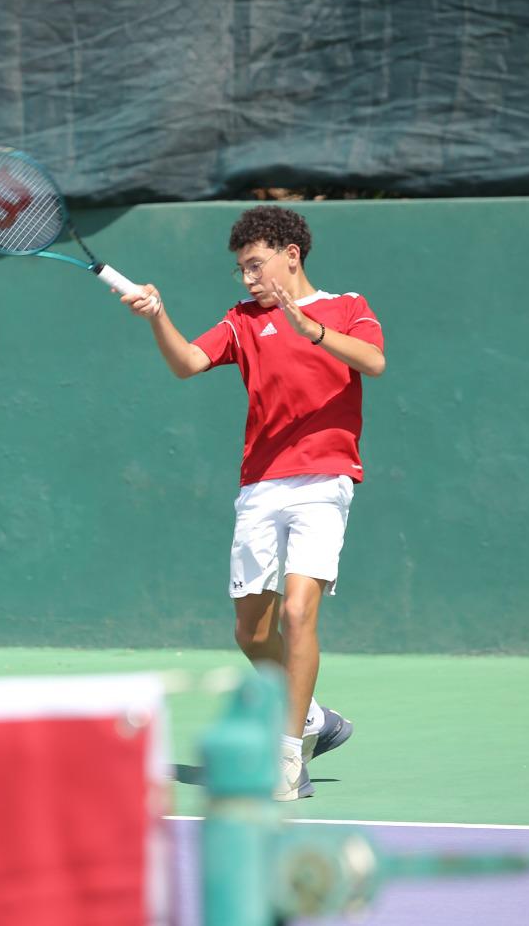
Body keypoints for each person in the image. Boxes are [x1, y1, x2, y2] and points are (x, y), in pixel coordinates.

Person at [122, 204, 386, 800]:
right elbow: (188, 363)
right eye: (241, 268)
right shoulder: (241, 322)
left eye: (256, 265)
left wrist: (310, 328)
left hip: (325, 480)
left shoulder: (347, 307)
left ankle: (289, 753)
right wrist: (158, 316)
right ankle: (312, 716)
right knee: (251, 631)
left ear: (291, 257)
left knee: (297, 614)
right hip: (260, 484)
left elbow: (374, 360)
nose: (248, 279)